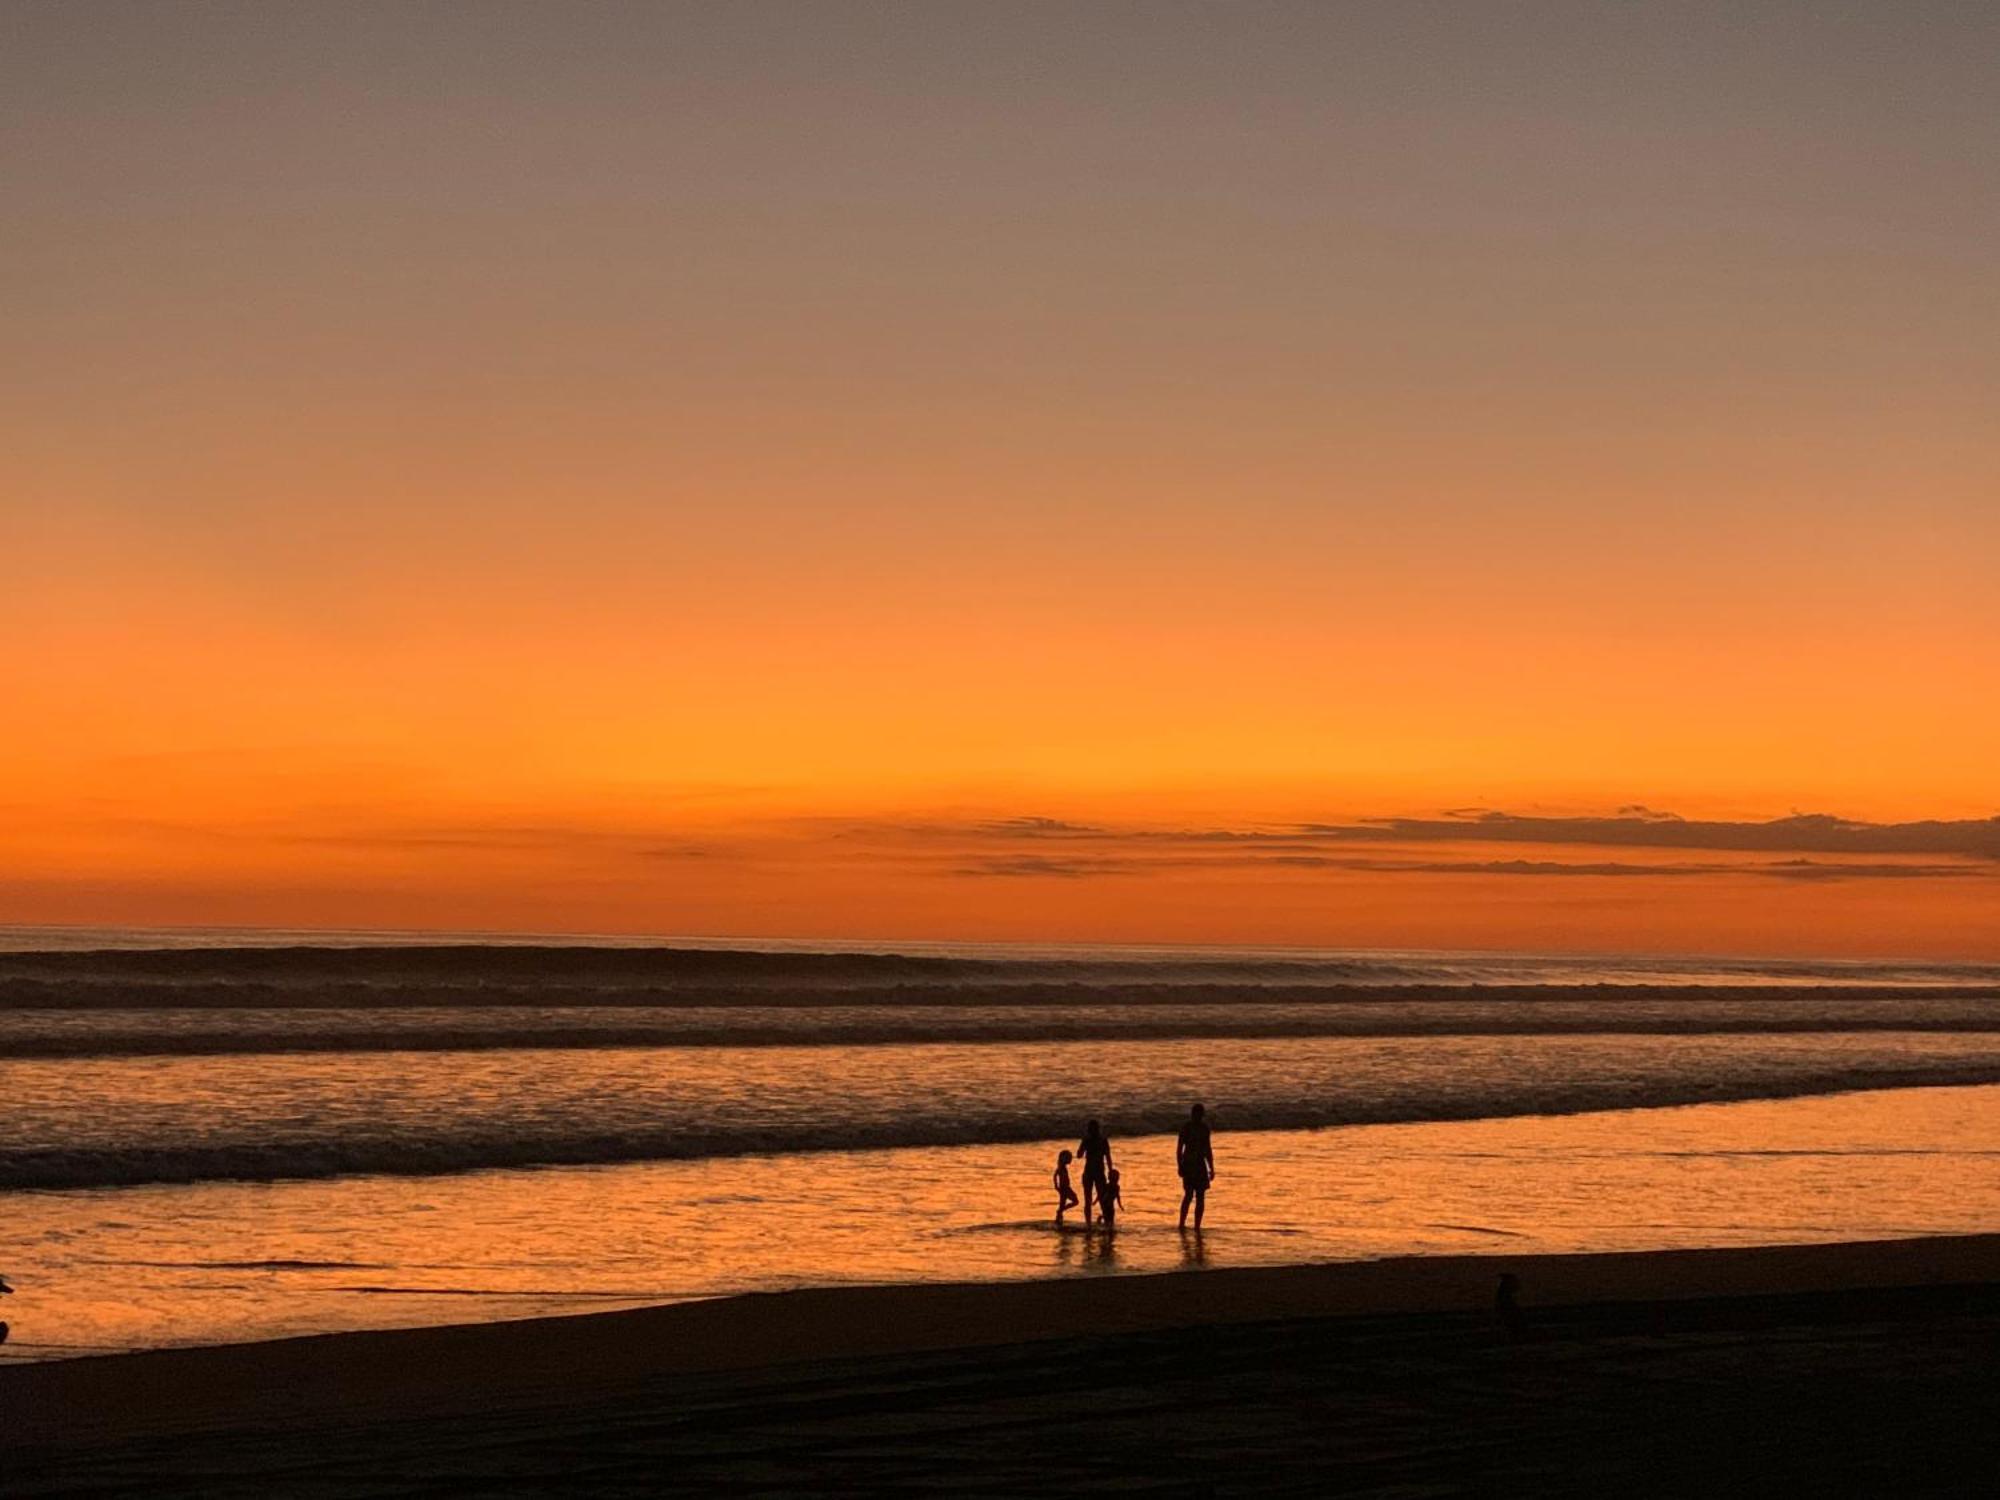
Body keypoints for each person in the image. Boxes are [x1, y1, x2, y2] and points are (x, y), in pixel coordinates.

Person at [1176, 1102, 1214, 1229]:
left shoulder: (1204, 1128)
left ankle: (1197, 1225)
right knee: (1189, 1195)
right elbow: (1179, 1149)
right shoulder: (1186, 1128)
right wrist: (1180, 1165)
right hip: (1189, 1164)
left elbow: (1207, 1149)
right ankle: (1182, 1223)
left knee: (1200, 1196)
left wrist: (1211, 1167)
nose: (1197, 1117)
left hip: (1199, 1164)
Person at [1076, 1119, 1114, 1224]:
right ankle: (1107, 1221)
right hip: (1099, 1171)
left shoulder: (1086, 1140)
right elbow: (1108, 1157)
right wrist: (1110, 1171)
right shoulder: (1103, 1140)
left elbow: (1079, 1155)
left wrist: (1083, 1144)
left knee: (1088, 1200)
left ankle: (1088, 1223)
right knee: (1102, 1199)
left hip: (1089, 1171)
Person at [1053, 1149, 1079, 1224]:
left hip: (1065, 1187)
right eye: (1069, 1158)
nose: (1070, 1160)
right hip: (1064, 1188)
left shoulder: (1063, 1167)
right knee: (1075, 1201)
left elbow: (1056, 1175)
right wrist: (1056, 1185)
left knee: (1063, 1203)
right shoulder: (1061, 1167)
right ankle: (1060, 1212)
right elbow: (1055, 1175)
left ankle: (1059, 1215)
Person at [1099, 1166, 1123, 1231]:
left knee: (1111, 1216)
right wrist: (1097, 1201)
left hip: (1111, 1204)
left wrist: (1120, 1205)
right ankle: (1102, 1220)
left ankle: (1110, 1228)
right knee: (1106, 1216)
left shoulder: (1117, 1187)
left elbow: (1118, 1196)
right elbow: (1102, 1194)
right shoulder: (1107, 1186)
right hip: (1106, 1203)